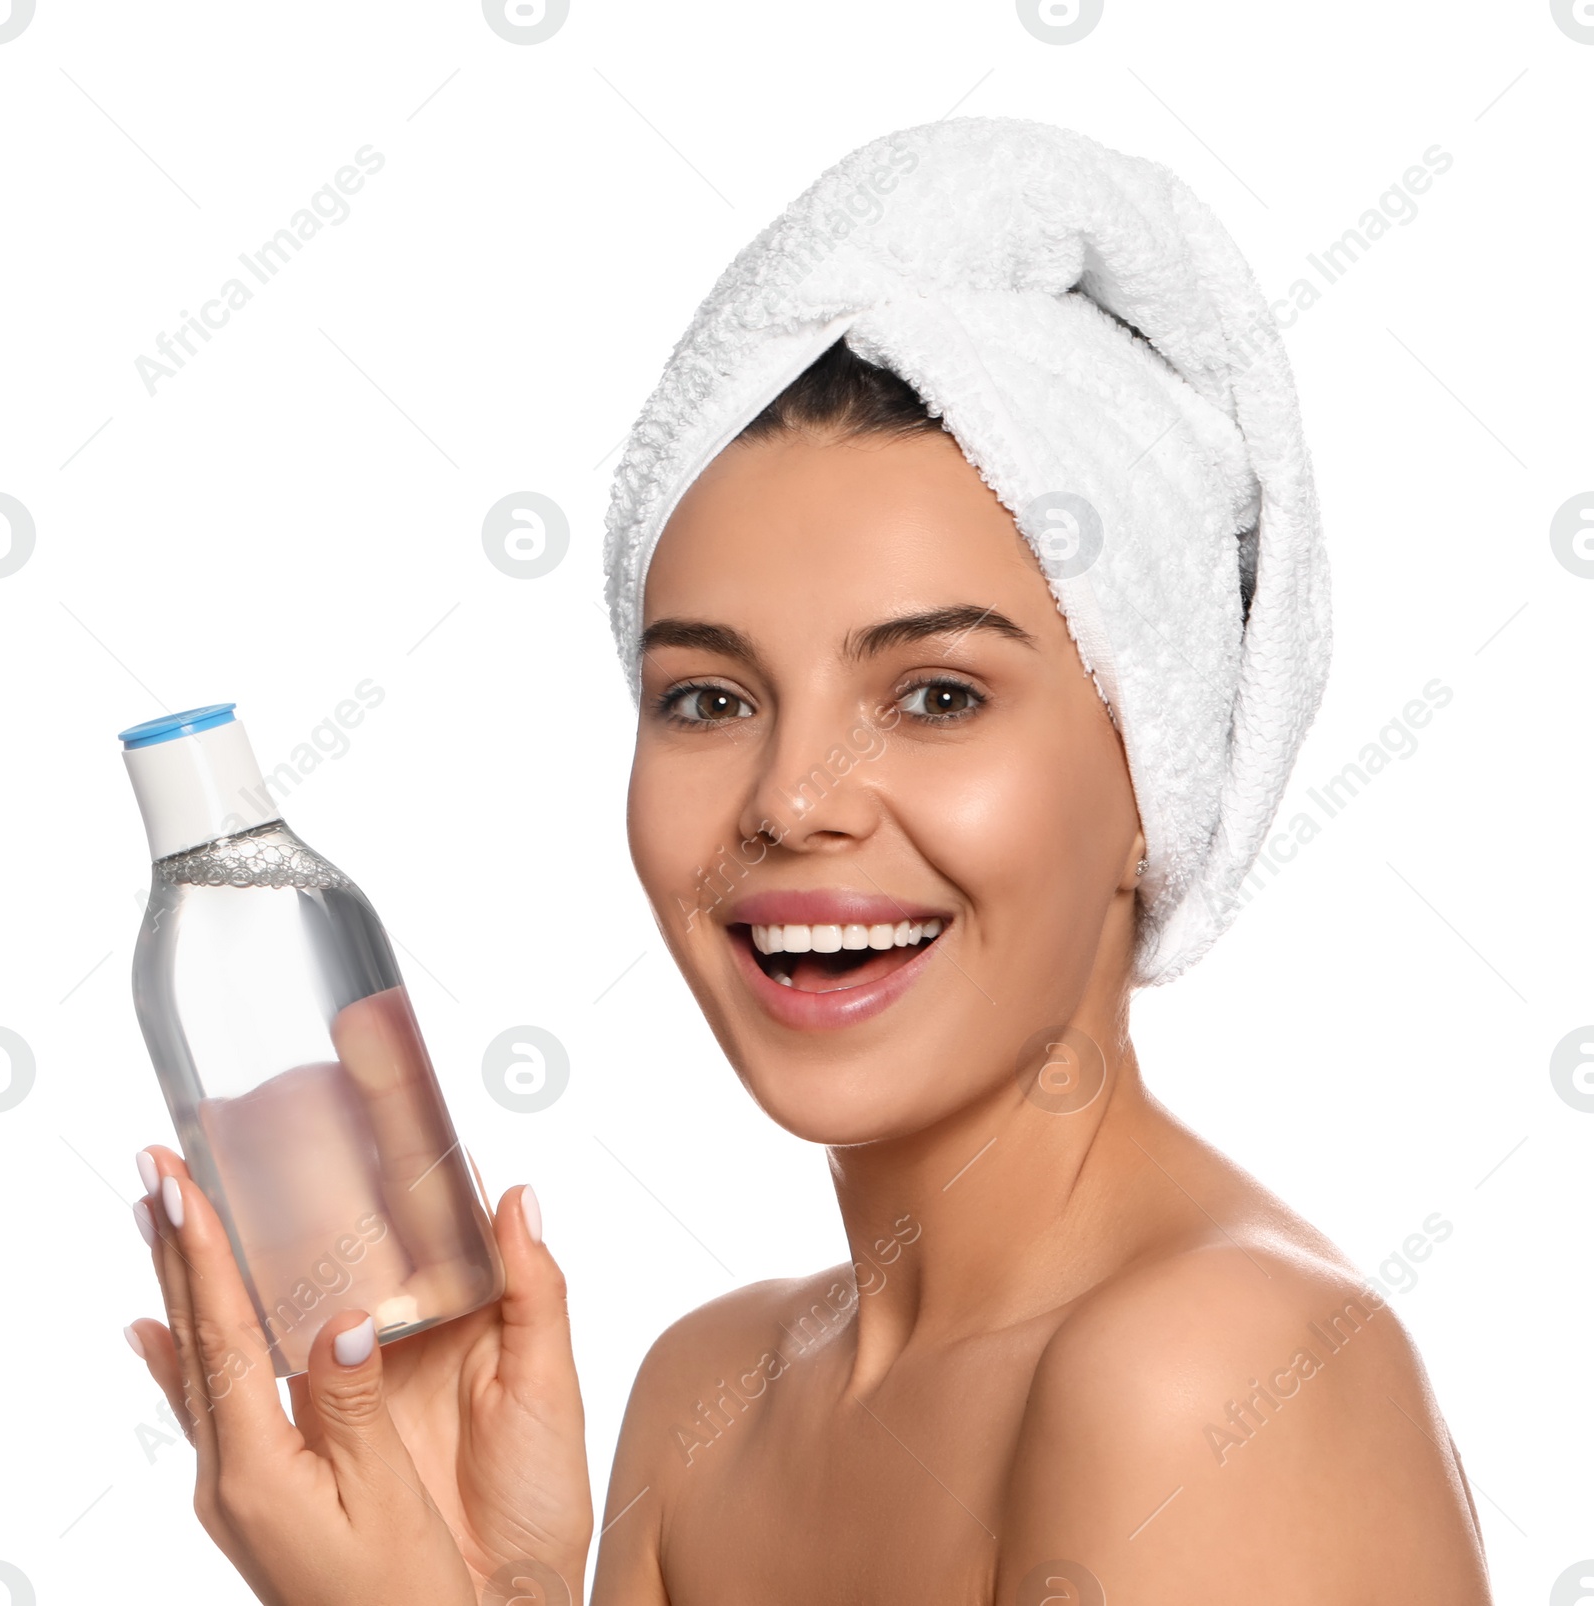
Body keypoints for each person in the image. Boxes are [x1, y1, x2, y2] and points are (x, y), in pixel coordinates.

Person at [125, 120, 1493, 1604]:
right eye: (709, 698)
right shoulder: (703, 1412)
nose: (791, 798)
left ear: (1154, 774)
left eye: (938, 693)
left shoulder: (1214, 1375)